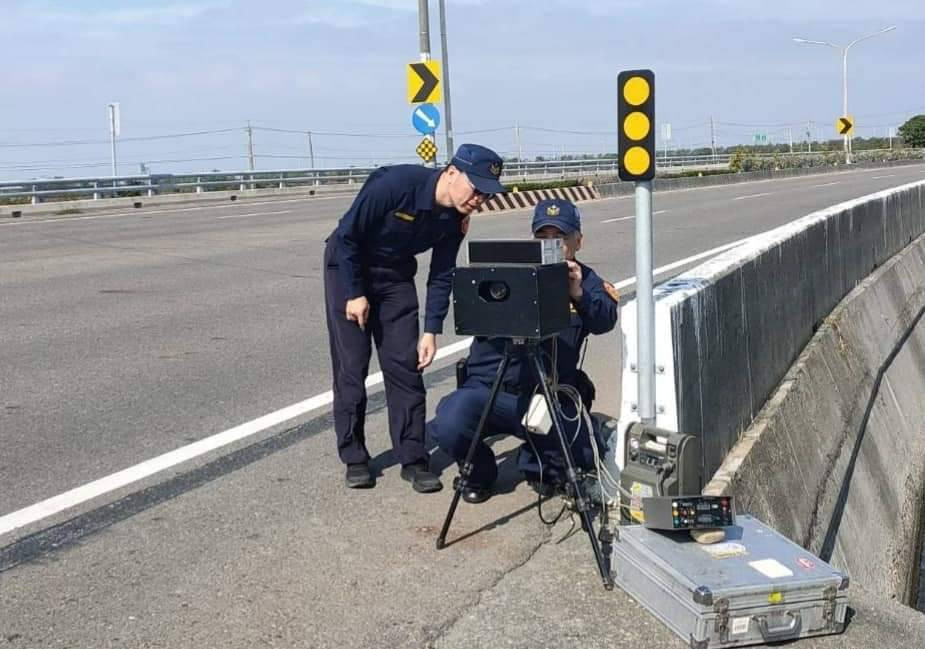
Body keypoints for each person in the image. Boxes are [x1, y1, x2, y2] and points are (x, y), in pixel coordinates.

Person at [324, 143, 505, 492]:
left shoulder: (455, 219)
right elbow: (347, 235)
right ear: (452, 172)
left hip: (394, 277)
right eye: (476, 188)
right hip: (347, 268)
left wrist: (431, 330)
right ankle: (355, 457)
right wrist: (353, 293)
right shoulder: (395, 185)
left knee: (405, 366)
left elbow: (441, 274)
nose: (479, 199)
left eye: (487, 195)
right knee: (352, 366)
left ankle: (413, 457)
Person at [428, 198, 619, 503]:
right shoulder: (508, 272)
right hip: (491, 388)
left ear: (577, 242)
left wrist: (577, 294)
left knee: (582, 455)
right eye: (542, 238)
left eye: (559, 239)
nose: (551, 245)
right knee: (450, 422)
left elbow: (605, 319)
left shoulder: (586, 280)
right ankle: (479, 473)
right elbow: (470, 308)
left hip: (547, 393)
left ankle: (538, 461)